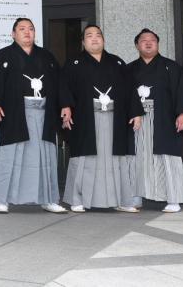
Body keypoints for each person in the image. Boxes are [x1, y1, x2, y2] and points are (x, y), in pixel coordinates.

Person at [0, 18, 66, 214]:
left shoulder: (47, 57)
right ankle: (3, 199)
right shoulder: (1, 57)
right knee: (11, 155)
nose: (27, 32)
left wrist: (66, 105)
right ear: (13, 34)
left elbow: (60, 84)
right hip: (14, 113)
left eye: (30, 29)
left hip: (43, 114)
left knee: (45, 155)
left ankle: (49, 199)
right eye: (22, 29)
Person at [60, 25, 143, 213]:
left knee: (116, 160)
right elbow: (63, 88)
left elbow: (131, 90)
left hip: (114, 118)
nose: (94, 38)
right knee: (85, 159)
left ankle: (122, 200)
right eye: (89, 36)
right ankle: (77, 199)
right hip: (85, 118)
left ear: (104, 40)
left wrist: (135, 113)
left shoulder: (117, 63)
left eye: (98, 35)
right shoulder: (73, 63)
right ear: (83, 42)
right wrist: (65, 107)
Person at [127, 28, 183, 213]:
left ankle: (173, 198)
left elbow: (181, 92)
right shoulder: (129, 69)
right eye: (143, 40)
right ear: (137, 45)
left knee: (167, 158)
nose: (148, 42)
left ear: (158, 43)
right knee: (137, 157)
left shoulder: (171, 67)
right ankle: (135, 195)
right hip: (137, 118)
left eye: (152, 39)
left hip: (164, 117)